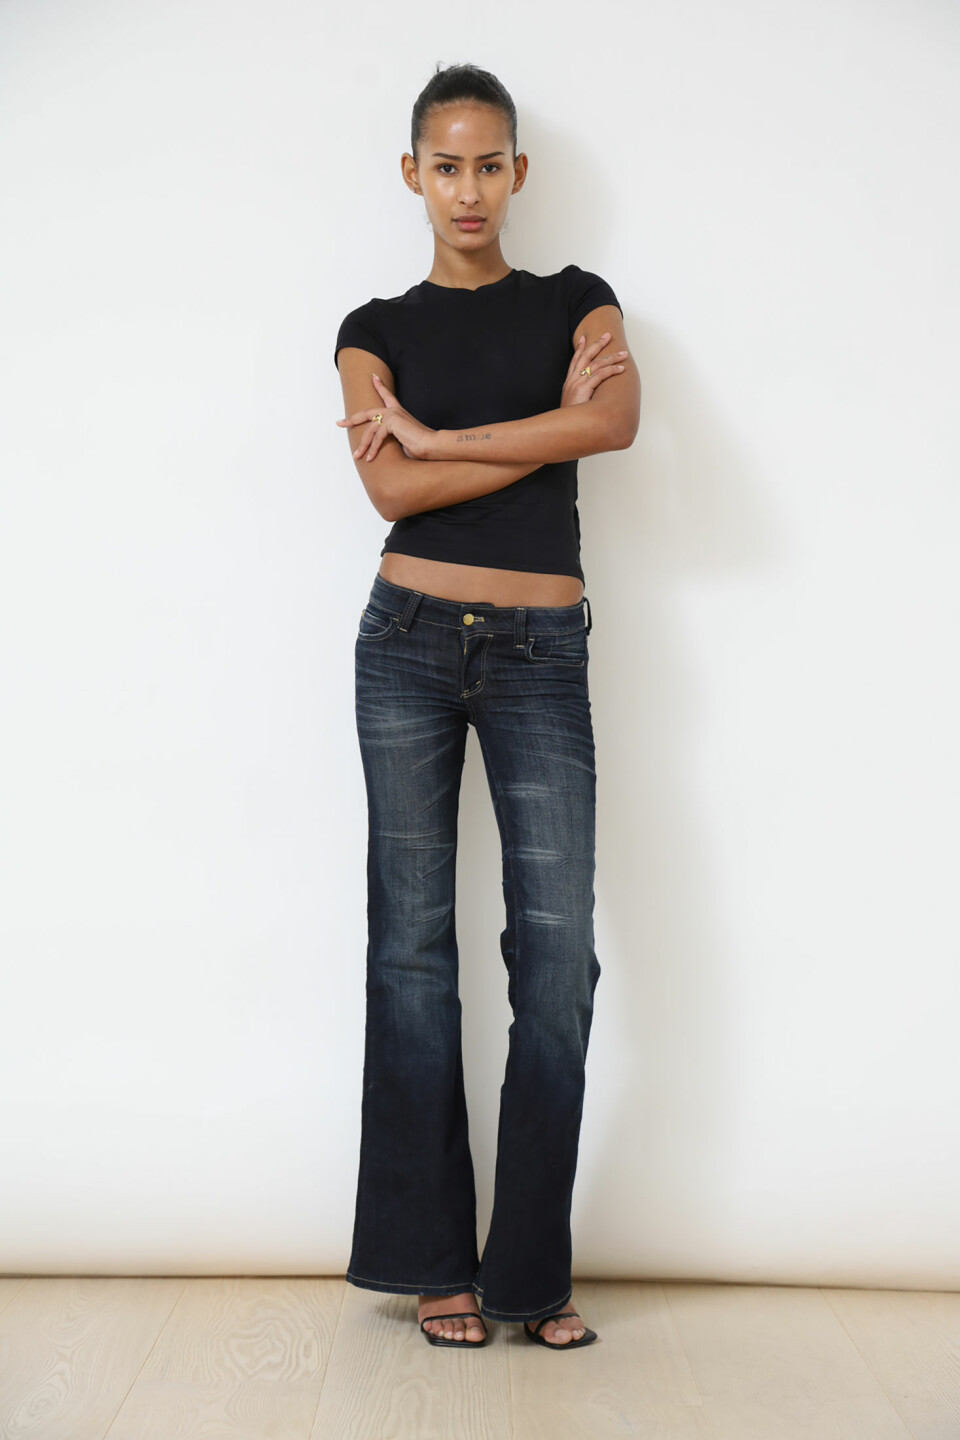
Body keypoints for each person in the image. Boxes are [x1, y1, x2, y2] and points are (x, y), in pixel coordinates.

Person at [333, 61, 640, 1351]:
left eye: (490, 163)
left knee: (556, 958)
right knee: (411, 951)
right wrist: (532, 428)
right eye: (446, 165)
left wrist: (443, 440)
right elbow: (389, 495)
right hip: (405, 639)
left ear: (520, 171)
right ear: (414, 174)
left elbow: (611, 425)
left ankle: (529, 1273)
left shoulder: (579, 300)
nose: (469, 188)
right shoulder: (371, 329)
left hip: (540, 651)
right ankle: (432, 1265)